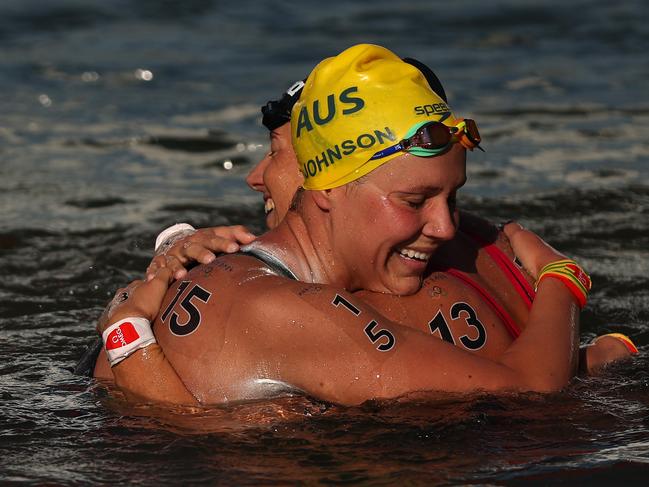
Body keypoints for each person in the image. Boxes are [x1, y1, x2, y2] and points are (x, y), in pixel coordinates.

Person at [91, 44, 595, 407]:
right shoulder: (281, 310)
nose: (444, 226)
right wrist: (562, 277)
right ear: (327, 186)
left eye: (452, 196)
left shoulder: (248, 273)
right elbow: (531, 394)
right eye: (415, 199)